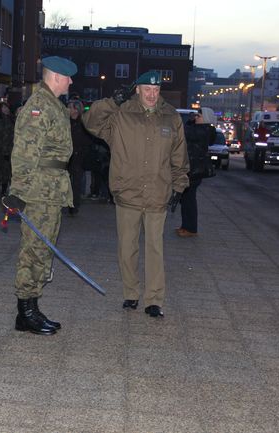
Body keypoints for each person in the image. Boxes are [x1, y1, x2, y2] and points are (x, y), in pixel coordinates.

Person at [83, 70, 189, 318]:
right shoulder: (121, 113)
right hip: (127, 191)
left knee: (155, 248)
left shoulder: (171, 117)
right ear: (137, 90)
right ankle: (131, 293)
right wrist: (112, 101)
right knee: (127, 247)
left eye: (156, 90)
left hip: (157, 192)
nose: (152, 94)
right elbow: (90, 122)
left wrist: (179, 185)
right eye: (147, 90)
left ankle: (154, 299)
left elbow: (179, 155)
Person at [5, 55, 77, 335]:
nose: (70, 81)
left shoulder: (53, 105)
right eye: (68, 77)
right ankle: (25, 312)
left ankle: (33, 307)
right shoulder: (38, 107)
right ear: (56, 76)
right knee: (33, 250)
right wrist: (18, 193)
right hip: (37, 191)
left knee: (43, 250)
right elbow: (24, 154)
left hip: (51, 189)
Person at [177, 108, 216, 237]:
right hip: (192, 168)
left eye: (199, 116)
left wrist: (189, 122)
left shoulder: (204, 130)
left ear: (206, 118)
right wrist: (191, 121)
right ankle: (186, 226)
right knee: (186, 198)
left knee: (189, 199)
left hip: (195, 169)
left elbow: (185, 133)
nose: (196, 118)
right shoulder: (201, 129)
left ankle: (191, 228)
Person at [67, 99, 90, 215]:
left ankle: (74, 205)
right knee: (66, 181)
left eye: (70, 107)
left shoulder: (83, 123)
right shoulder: (66, 123)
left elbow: (87, 140)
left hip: (79, 156)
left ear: (76, 109)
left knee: (76, 182)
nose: (69, 110)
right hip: (67, 156)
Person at [0, 102, 15, 195]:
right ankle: (3, 189)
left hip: (12, 149)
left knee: (11, 171)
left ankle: (12, 190)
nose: (5, 109)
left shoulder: (13, 119)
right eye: (3, 107)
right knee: (3, 170)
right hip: (0, 148)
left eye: (7, 107)